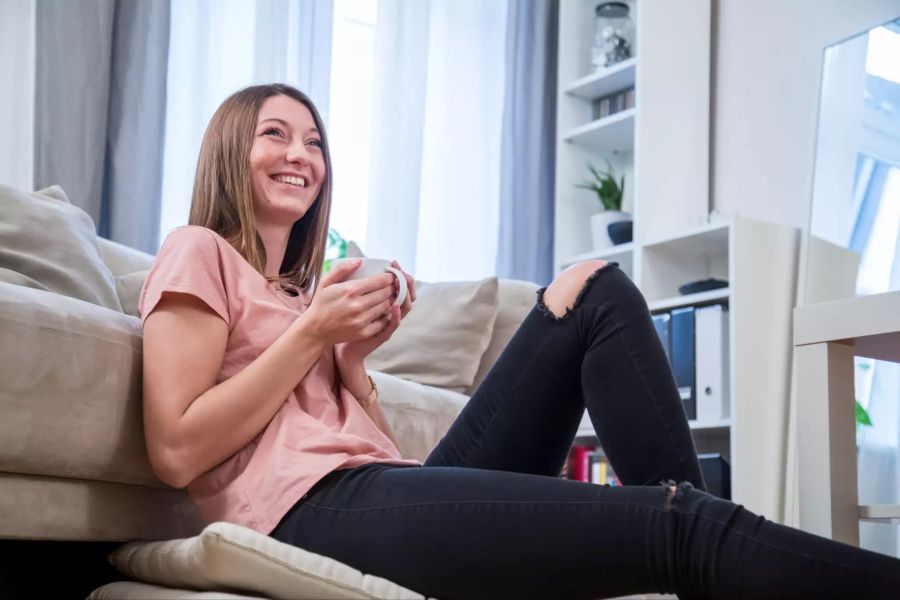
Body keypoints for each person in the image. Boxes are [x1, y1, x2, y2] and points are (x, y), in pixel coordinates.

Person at [140, 83, 900, 600]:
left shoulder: (306, 297)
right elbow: (175, 449)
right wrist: (311, 335)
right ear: (231, 150)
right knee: (677, 520)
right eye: (274, 134)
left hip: (374, 492)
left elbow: (368, 450)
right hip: (307, 514)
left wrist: (351, 361)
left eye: (314, 141)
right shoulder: (197, 251)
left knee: (595, 288)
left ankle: (700, 567)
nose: (300, 154)